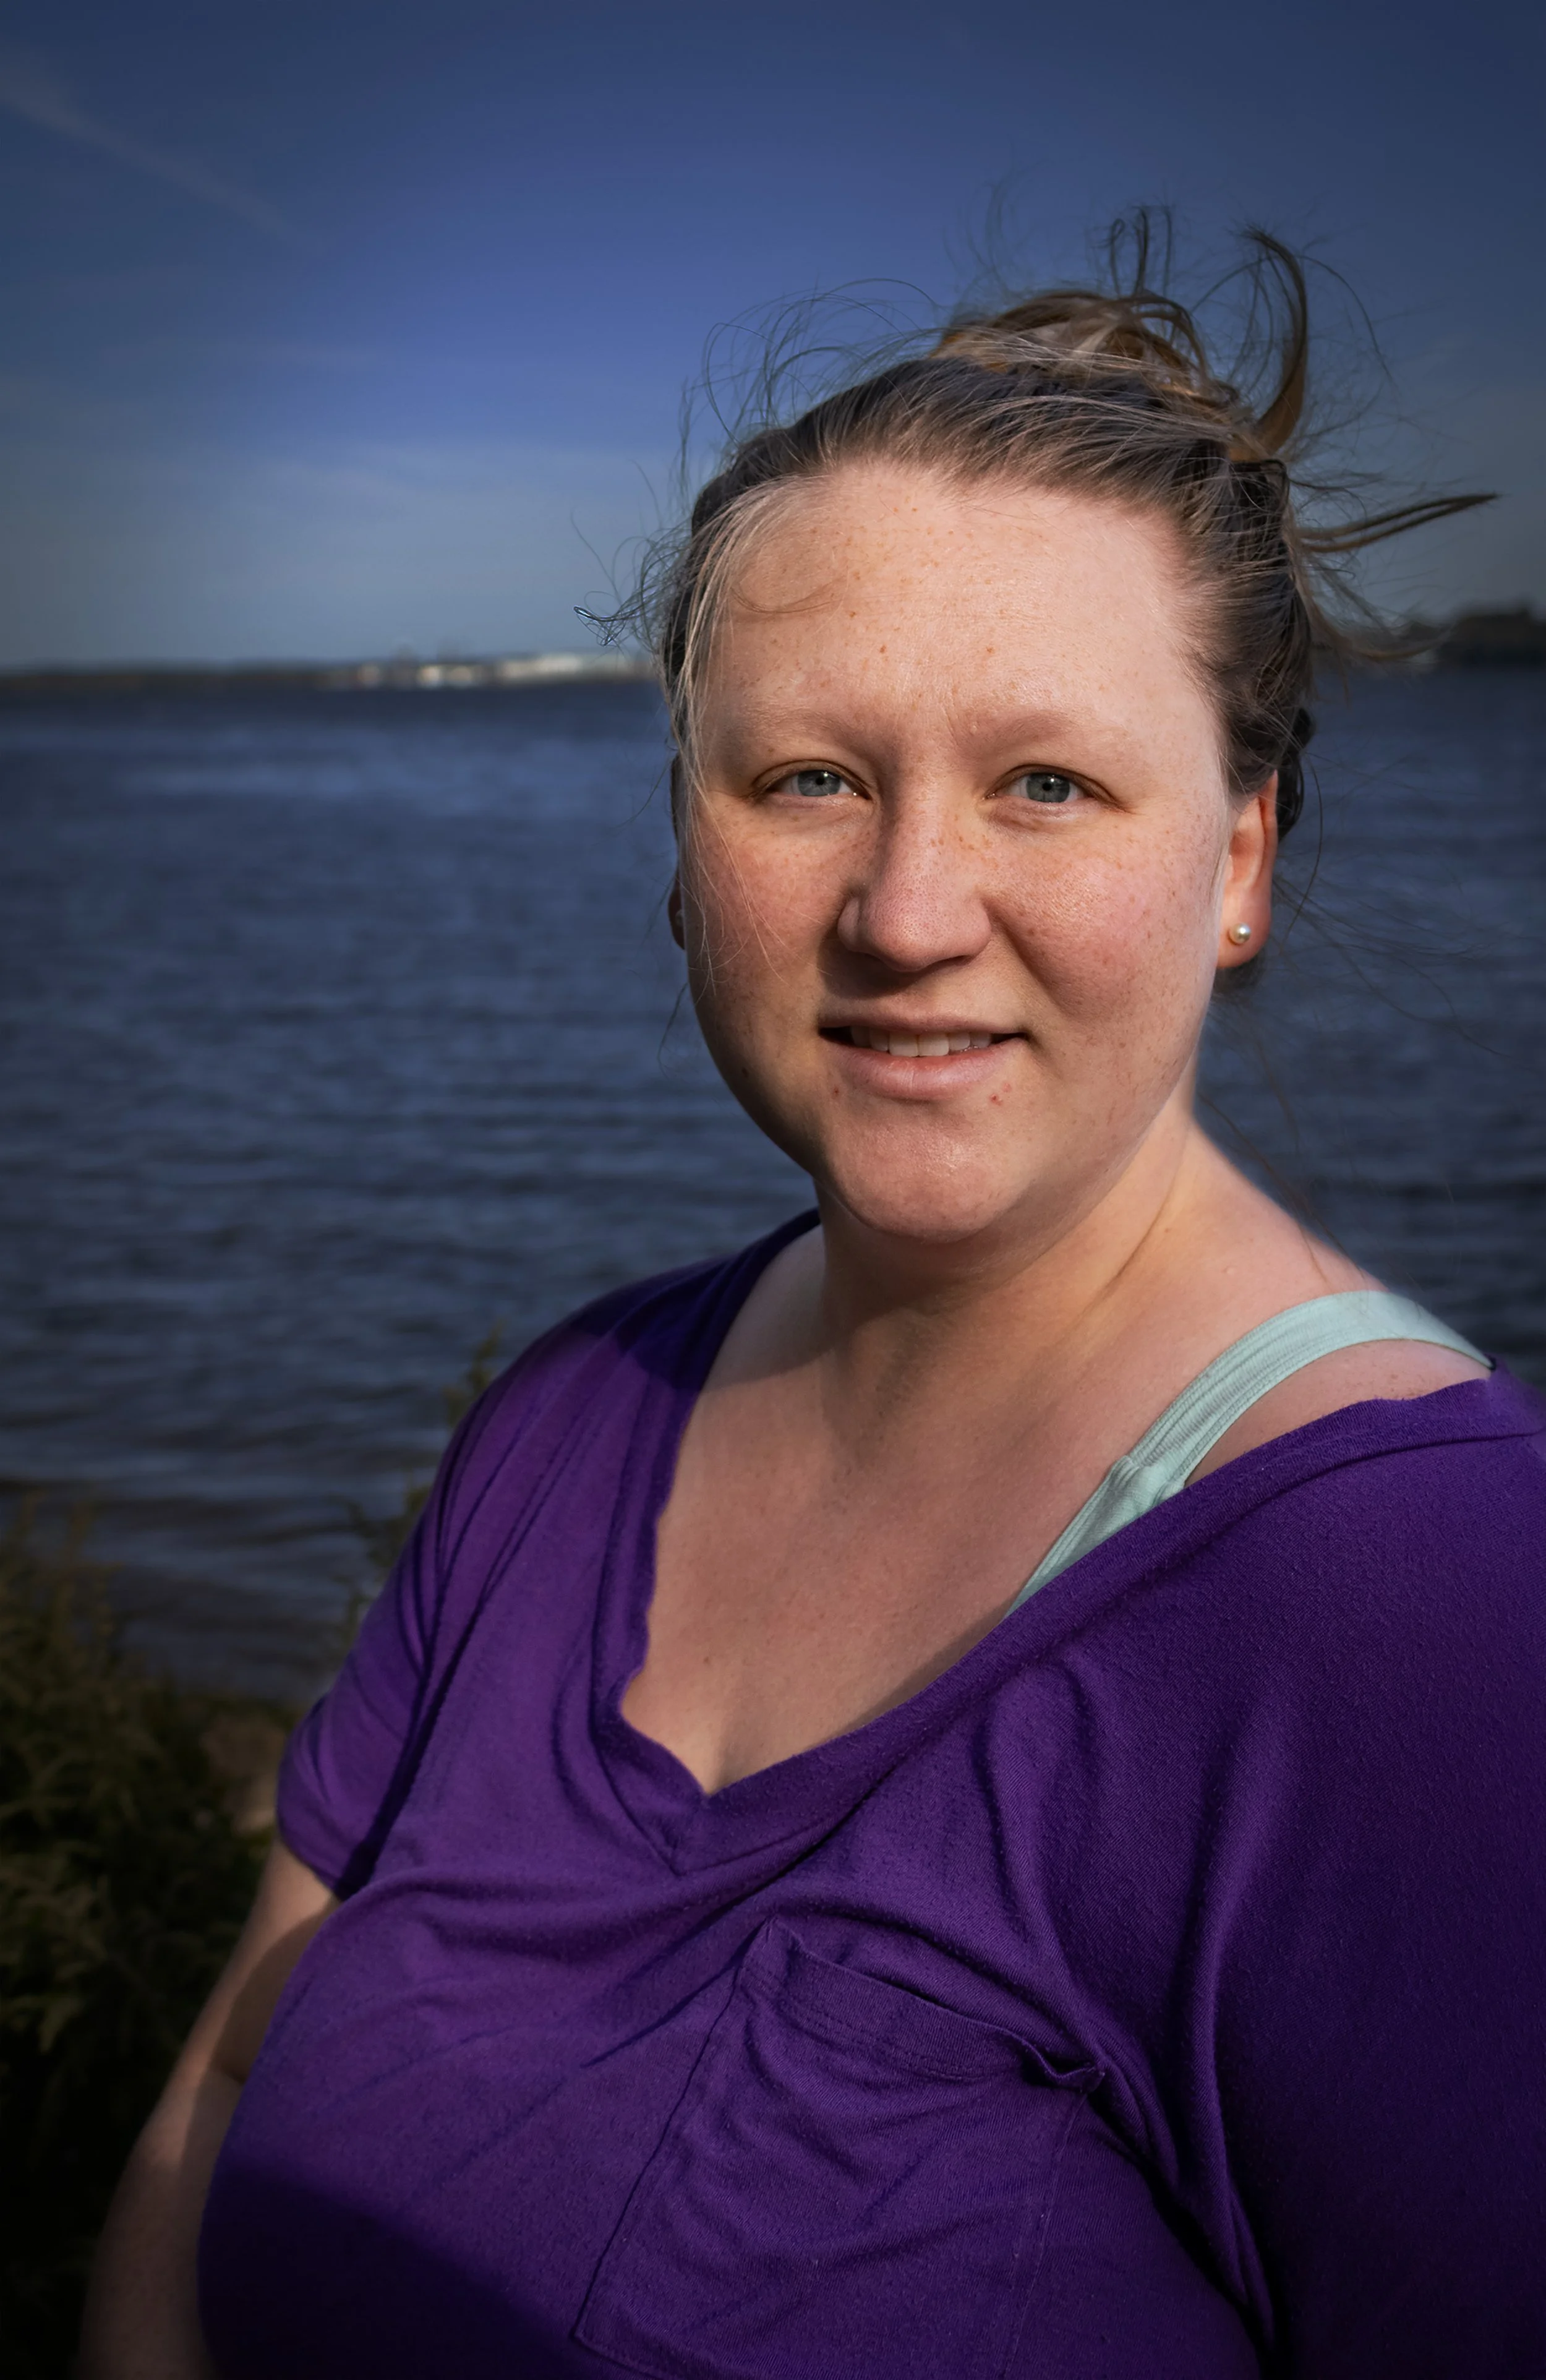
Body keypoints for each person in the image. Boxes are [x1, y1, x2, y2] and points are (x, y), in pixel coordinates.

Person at [82, 231, 1545, 2380]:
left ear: (1236, 859)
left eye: (1044, 781)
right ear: (685, 854)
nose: (905, 910)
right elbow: (211, 2104)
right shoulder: (572, 1418)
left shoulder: (1423, 1612)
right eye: (807, 780)